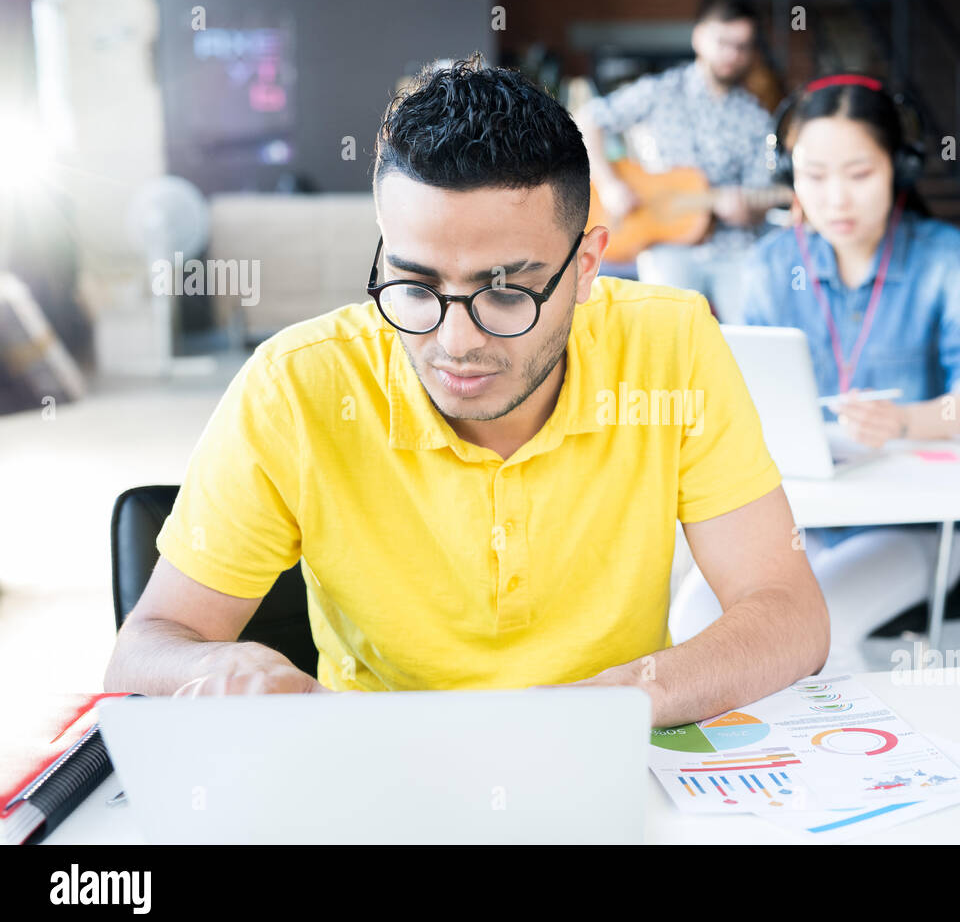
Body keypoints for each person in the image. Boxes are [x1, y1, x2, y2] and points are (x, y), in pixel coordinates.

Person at [104, 55, 829, 727]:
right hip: (377, 769)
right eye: (415, 285)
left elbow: (789, 612)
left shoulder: (670, 344)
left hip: (607, 751)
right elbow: (146, 647)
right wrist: (218, 664)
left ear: (585, 268)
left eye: (507, 292)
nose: (455, 343)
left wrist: (607, 707)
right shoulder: (295, 385)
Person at [669, 74, 960, 675]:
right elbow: (732, 394)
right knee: (694, 620)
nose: (836, 199)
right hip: (799, 519)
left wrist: (908, 421)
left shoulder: (945, 257)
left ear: (898, 170)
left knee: (810, 629)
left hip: (919, 525)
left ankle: (863, 765)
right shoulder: (771, 265)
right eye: (815, 175)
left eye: (859, 175)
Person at [575, 0, 779, 323]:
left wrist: (747, 210)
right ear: (699, 37)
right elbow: (589, 120)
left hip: (734, 248)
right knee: (663, 335)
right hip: (666, 243)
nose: (732, 54)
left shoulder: (757, 117)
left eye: (742, 46)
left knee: (751, 332)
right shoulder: (660, 91)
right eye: (724, 42)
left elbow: (760, 193)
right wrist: (610, 185)